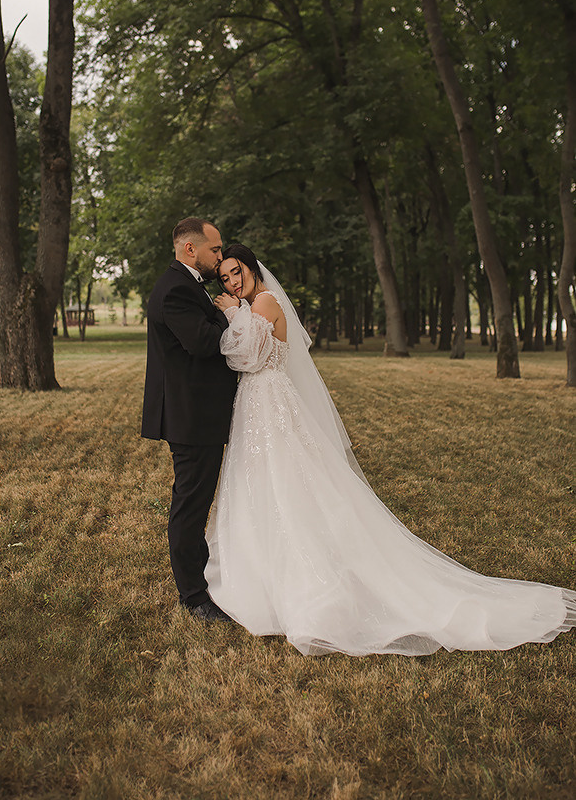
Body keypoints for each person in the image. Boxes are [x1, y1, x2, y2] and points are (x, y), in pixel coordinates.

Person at [207, 243, 576, 656]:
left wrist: (231, 314)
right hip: (258, 404)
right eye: (224, 278)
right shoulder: (254, 304)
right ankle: (260, 564)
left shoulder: (264, 302)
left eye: (236, 272)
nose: (232, 281)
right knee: (261, 478)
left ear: (251, 268)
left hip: (269, 398)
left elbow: (246, 357)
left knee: (289, 479)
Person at [141, 218, 238, 622]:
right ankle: (193, 595)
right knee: (190, 503)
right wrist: (227, 315)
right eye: (215, 250)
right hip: (190, 415)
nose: (220, 256)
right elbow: (202, 342)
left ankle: (201, 578)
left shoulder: (186, 285)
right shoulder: (176, 289)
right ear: (190, 249)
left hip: (197, 412)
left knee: (196, 498)